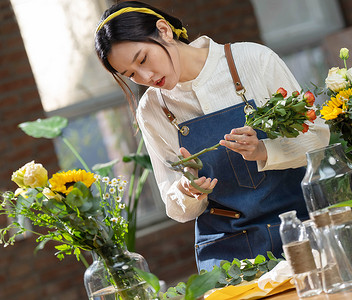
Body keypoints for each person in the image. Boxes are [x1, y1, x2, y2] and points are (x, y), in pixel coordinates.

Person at [95, 1, 330, 272]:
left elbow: (318, 137)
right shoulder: (152, 111)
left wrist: (264, 151)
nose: (146, 76)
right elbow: (175, 207)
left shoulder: (252, 60)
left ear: (163, 30)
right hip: (230, 250)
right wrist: (188, 191)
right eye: (131, 74)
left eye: (143, 59)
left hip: (300, 224)